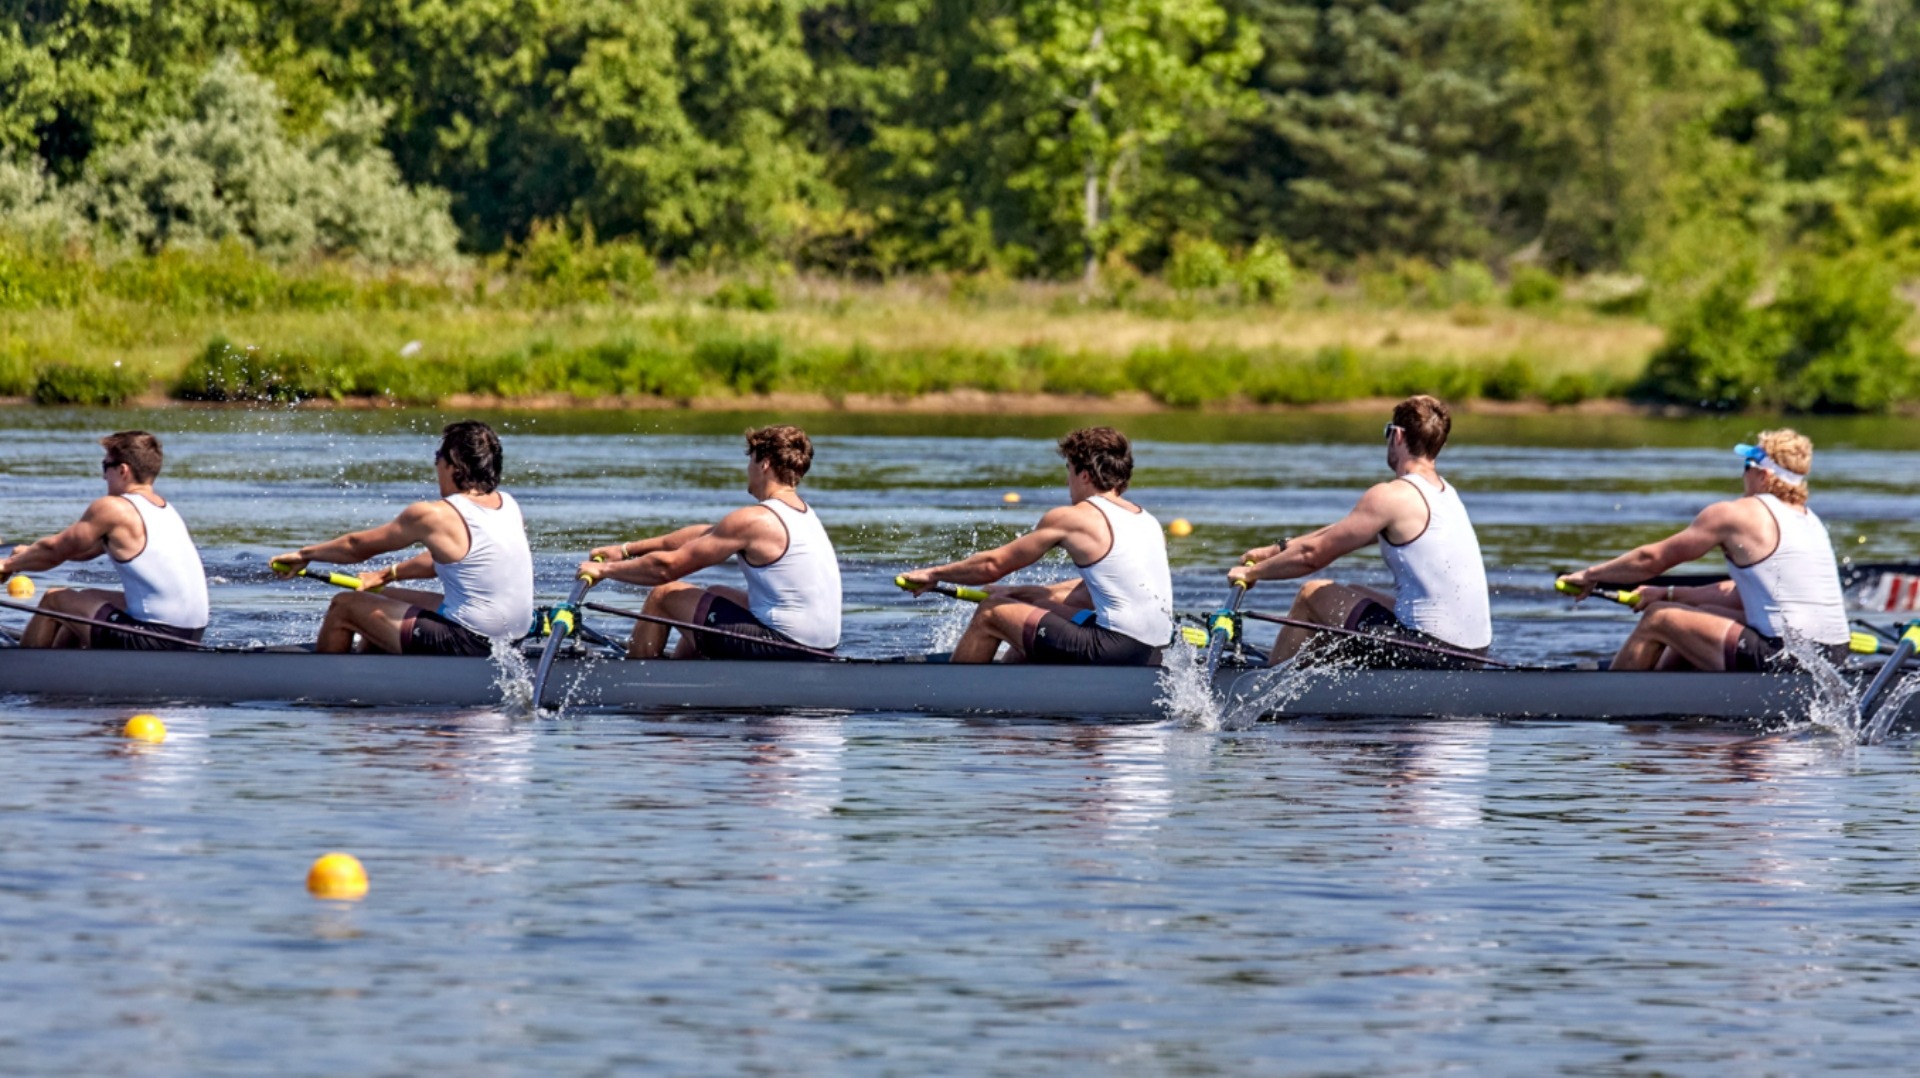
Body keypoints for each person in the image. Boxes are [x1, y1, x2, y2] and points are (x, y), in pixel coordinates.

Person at [1227, 395, 1492, 667]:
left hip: (1433, 655)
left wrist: (1251, 573)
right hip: (1471, 655)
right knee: (1351, 592)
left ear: (1397, 436)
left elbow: (1313, 556)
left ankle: (1265, 686)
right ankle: (1314, 674)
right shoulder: (1446, 494)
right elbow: (1339, 533)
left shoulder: (1392, 496)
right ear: (1439, 444)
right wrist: (1274, 551)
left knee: (1312, 594)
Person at [1556, 430, 1850, 672]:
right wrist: (1669, 594)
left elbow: (1652, 560)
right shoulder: (1809, 520)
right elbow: (1738, 593)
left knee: (1659, 619)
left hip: (1784, 657)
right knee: (1702, 612)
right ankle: (1666, 686)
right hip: (1832, 656)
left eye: (1746, 465)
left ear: (1763, 474)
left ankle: (1611, 698)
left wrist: (1591, 574)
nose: (1743, 475)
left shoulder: (1736, 514)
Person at [898, 426, 1173, 664]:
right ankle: (1018, 693)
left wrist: (933, 574)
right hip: (1152, 652)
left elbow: (991, 565)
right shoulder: (1146, 520)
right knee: (1035, 612)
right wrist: (1019, 593)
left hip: (1112, 648)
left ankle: (952, 696)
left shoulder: (1075, 517)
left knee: (991, 611)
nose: (1068, 481)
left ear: (1085, 475)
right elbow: (1084, 596)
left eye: (1069, 470)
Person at [579, 425, 841, 660]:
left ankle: (639, 679)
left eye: (751, 459)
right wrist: (626, 550)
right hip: (820, 645)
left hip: (787, 646)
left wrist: (603, 570)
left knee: (664, 595)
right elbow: (701, 536)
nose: (747, 469)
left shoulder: (756, 519)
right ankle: (686, 670)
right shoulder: (800, 513)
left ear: (765, 464)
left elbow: (666, 568)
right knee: (717, 593)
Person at [272, 420, 534, 655]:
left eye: (437, 456)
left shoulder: (433, 514)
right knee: (386, 596)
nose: (436, 465)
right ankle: (374, 673)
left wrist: (304, 555)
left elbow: (356, 548)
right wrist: (386, 575)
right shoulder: (508, 505)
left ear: (453, 464)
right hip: (510, 638)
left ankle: (328, 690)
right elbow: (442, 561)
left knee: (344, 606)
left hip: (470, 640)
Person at [0, 431, 209, 649]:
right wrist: (26, 554)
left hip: (157, 638)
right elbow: (78, 551)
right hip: (189, 636)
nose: (103, 477)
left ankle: (26, 670)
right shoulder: (164, 510)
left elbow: (55, 552)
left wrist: (7, 564)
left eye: (105, 466)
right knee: (87, 598)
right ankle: (65, 663)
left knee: (55, 599)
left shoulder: (114, 508)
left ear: (122, 470)